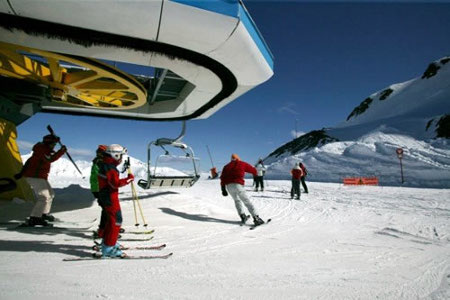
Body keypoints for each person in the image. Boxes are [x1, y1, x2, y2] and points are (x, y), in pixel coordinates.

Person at [20, 134, 67, 226]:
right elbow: (49, 159)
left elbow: (50, 155)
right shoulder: (41, 149)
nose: (54, 146)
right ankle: (35, 218)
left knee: (51, 194)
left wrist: (58, 146)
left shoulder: (44, 149)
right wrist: (61, 152)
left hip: (39, 176)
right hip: (34, 176)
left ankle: (43, 214)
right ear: (48, 143)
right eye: (53, 144)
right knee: (44, 197)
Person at [97, 144, 134, 258]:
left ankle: (108, 242)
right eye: (120, 156)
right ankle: (108, 248)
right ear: (115, 155)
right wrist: (128, 179)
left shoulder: (106, 165)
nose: (121, 158)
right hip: (109, 196)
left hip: (107, 195)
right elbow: (114, 183)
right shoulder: (109, 167)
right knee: (116, 221)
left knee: (111, 220)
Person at [220, 153, 265, 226]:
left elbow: (222, 178)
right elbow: (253, 170)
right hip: (238, 185)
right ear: (238, 158)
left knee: (237, 200)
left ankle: (243, 216)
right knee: (246, 201)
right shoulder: (242, 163)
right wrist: (256, 173)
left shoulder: (226, 166)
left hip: (229, 186)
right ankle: (256, 218)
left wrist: (223, 189)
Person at [90, 144, 107, 239]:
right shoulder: (100, 162)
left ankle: (106, 228)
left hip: (98, 188)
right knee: (107, 210)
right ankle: (103, 230)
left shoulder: (99, 161)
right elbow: (101, 176)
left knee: (107, 209)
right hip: (100, 188)